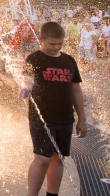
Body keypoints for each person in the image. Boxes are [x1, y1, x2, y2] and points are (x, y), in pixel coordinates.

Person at [20, 21, 86, 196]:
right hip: (41, 118)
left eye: (60, 44)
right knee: (42, 159)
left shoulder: (69, 61)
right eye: (52, 44)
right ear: (41, 39)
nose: (56, 47)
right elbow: (27, 80)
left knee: (58, 158)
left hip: (65, 119)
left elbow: (76, 90)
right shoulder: (34, 58)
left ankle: (52, 194)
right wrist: (26, 88)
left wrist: (82, 119)